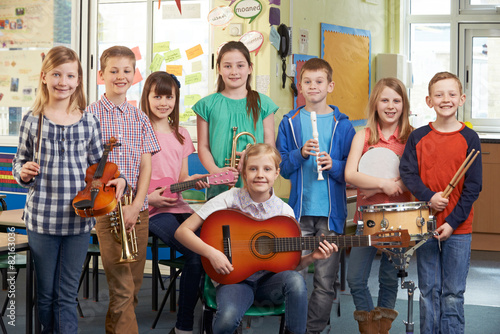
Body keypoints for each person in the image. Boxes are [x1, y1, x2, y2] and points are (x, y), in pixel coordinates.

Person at [12, 46, 125, 333]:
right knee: (47, 296)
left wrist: (119, 180)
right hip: (42, 220)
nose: (63, 81)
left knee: (66, 295)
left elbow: (99, 171)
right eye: (57, 74)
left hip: (79, 220)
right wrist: (22, 172)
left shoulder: (89, 121)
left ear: (78, 81)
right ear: (44, 77)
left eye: (70, 75)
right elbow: (19, 164)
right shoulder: (31, 120)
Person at [175, 143, 336, 334]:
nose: (260, 174)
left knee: (296, 282)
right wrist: (212, 253)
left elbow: (292, 265)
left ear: (276, 173)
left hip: (270, 283)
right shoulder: (228, 199)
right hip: (235, 280)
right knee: (226, 322)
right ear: (243, 173)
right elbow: (182, 232)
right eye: (253, 169)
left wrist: (312, 257)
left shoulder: (285, 212)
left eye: (267, 169)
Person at [276, 57, 356, 334]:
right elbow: (283, 169)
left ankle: (313, 330)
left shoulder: (343, 126)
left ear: (330, 85)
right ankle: (292, 328)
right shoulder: (290, 122)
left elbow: (352, 170)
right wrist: (300, 154)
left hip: (331, 215)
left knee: (324, 280)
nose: (313, 87)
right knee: (293, 276)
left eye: (319, 82)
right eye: (307, 82)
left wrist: (334, 165)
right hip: (298, 213)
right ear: (300, 86)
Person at [399, 71, 482, 334]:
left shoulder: (470, 138)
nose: (445, 99)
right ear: (428, 100)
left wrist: (453, 222)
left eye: (451, 94)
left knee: (453, 293)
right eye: (439, 94)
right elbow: (408, 173)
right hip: (426, 224)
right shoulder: (418, 136)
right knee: (428, 290)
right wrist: (429, 196)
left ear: (462, 99)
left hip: (459, 228)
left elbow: (473, 187)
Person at [86, 45, 161, 334]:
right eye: (113, 71)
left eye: (126, 71)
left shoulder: (140, 117)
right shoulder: (89, 116)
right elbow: (87, 169)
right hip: (107, 210)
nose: (121, 76)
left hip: (138, 209)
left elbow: (146, 168)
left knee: (132, 285)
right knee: (121, 285)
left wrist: (136, 204)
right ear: (101, 75)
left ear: (135, 75)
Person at [140, 71, 208, 334]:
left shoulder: (181, 133)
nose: (163, 102)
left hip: (179, 205)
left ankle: (204, 317)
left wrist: (194, 180)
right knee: (195, 253)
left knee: (209, 247)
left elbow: (180, 178)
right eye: (157, 96)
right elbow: (129, 179)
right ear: (147, 97)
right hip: (153, 211)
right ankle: (185, 326)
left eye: (169, 97)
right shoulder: (138, 132)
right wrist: (149, 198)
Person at [344, 77, 413, 333]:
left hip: (399, 219)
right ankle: (368, 326)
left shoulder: (411, 137)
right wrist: (383, 185)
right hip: (367, 218)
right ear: (375, 103)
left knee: (389, 277)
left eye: (397, 100)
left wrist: (375, 185)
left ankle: (381, 328)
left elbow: (414, 178)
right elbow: (351, 175)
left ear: (404, 105)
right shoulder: (363, 136)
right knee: (355, 278)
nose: (391, 105)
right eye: (385, 100)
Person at [193, 41, 278, 199]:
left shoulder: (264, 104)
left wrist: (253, 156)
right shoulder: (206, 105)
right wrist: (215, 171)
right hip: (220, 186)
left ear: (250, 68)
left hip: (256, 183)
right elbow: (203, 147)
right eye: (227, 66)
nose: (234, 72)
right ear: (218, 69)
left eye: (240, 65)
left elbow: (270, 147)